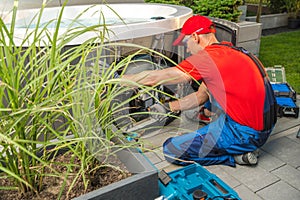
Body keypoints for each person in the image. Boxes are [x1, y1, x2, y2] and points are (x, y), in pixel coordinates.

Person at [122, 15, 277, 167]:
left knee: (172, 149)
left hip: (245, 133)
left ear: (195, 37)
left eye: (186, 42)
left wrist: (121, 79)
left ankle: (238, 154)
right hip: (262, 125)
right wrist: (168, 107)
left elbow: (156, 78)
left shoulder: (208, 58)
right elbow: (201, 96)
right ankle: (232, 144)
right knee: (201, 114)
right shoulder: (229, 49)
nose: (187, 49)